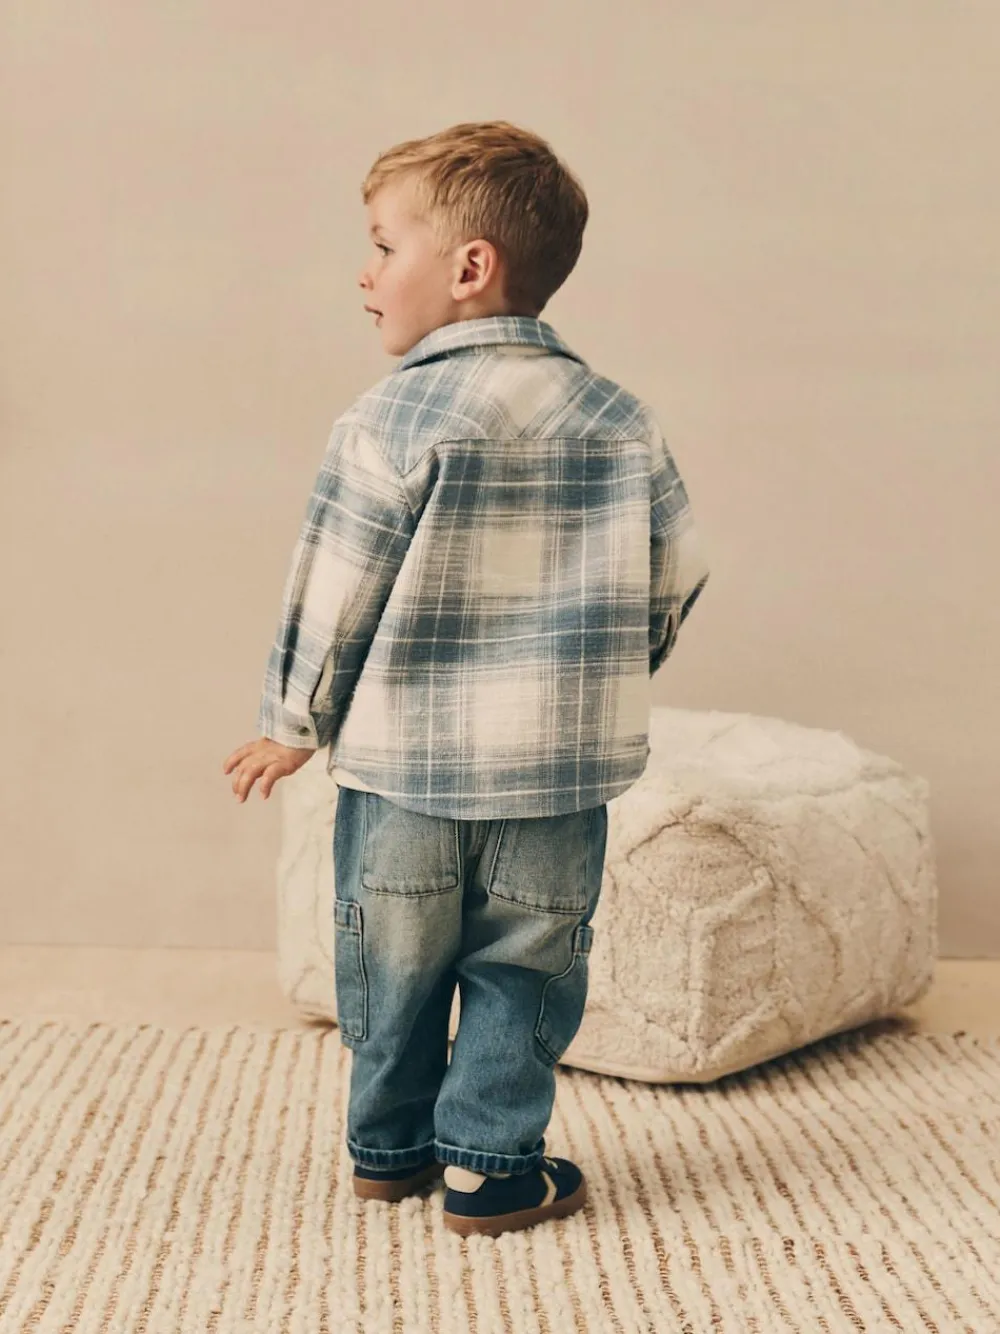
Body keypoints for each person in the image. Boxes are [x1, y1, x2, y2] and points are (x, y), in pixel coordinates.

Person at [223, 119, 710, 1239]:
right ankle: (491, 1166)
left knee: (390, 958)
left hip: (405, 771)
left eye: (382, 245)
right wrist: (609, 671)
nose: (364, 271)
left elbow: (334, 587)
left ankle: (389, 1148)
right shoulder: (619, 418)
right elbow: (675, 574)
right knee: (525, 964)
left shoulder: (388, 417)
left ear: (469, 267)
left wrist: (293, 721)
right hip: (556, 774)